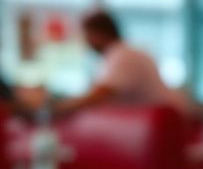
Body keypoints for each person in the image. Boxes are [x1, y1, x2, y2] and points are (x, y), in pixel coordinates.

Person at [55, 10, 189, 115]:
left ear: (99, 34)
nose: (86, 42)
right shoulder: (122, 52)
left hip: (164, 122)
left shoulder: (122, 55)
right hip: (158, 120)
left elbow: (98, 96)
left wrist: (59, 109)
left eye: (87, 36)